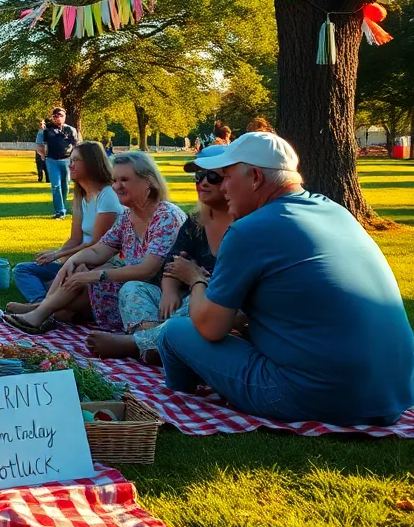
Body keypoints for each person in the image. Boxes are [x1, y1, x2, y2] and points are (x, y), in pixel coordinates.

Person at [158, 132, 414, 426]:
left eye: (226, 177)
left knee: (173, 332)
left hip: (315, 397)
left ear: (254, 177)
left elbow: (209, 327)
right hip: (392, 396)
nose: (224, 187)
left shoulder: (248, 231)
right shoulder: (336, 212)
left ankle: (183, 405)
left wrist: (196, 280)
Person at [3, 150, 184, 335]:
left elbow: (148, 270)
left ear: (148, 182)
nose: (117, 187)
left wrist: (95, 276)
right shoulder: (128, 217)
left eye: (124, 180)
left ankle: (42, 310)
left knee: (92, 274)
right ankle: (45, 311)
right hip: (131, 286)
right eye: (114, 180)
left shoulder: (166, 217)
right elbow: (99, 249)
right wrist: (73, 260)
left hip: (154, 296)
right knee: (79, 267)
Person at [87, 145, 233, 363]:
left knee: (191, 311)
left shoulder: (243, 227)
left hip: (212, 304)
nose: (202, 182)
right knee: (133, 289)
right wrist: (170, 290)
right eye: (199, 176)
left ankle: (137, 344)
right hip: (184, 297)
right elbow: (173, 264)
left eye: (212, 176)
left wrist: (195, 279)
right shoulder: (195, 222)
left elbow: (224, 289)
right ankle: (157, 347)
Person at [9, 142, 122, 309]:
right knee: (22, 270)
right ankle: (41, 303)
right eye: (71, 159)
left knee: (68, 277)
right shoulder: (82, 196)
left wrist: (56, 256)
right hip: (76, 260)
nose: (70, 164)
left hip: (95, 263)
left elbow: (98, 244)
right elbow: (75, 238)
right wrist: (58, 255)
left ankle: (42, 307)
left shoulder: (107, 196)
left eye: (76, 160)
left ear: (91, 163)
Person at [36, 108, 80, 219]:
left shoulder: (71, 130)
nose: (57, 118)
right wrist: (42, 153)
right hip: (52, 160)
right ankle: (60, 211)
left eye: (60, 115)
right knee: (56, 185)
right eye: (55, 116)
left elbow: (77, 145)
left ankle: (63, 207)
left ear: (64, 116)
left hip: (67, 160)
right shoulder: (45, 132)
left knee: (66, 185)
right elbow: (39, 146)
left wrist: (76, 159)